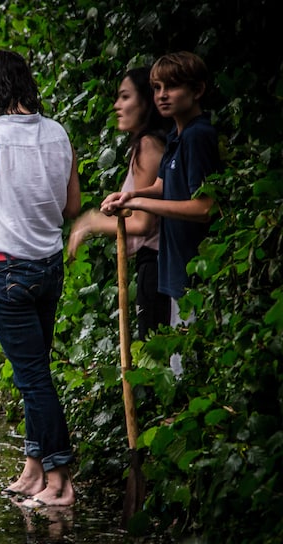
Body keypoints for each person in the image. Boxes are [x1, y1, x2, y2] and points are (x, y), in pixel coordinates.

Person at [0, 50, 81, 508]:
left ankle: (60, 479)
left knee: (32, 377)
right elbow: (72, 207)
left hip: (4, 267)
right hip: (49, 266)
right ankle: (34, 468)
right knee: (36, 371)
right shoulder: (58, 133)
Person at [101, 51, 220, 373]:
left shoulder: (198, 136)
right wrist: (130, 195)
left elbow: (205, 206)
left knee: (189, 367)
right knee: (176, 358)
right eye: (156, 88)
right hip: (174, 265)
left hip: (196, 269)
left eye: (172, 87)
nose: (162, 95)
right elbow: (161, 184)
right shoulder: (175, 135)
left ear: (197, 91)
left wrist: (139, 204)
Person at [68, 67, 171, 341]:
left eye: (125, 97)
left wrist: (91, 222)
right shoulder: (152, 144)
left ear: (146, 102)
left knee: (155, 360)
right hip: (159, 264)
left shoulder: (148, 146)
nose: (117, 106)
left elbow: (142, 223)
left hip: (157, 264)